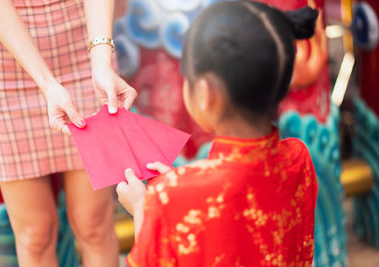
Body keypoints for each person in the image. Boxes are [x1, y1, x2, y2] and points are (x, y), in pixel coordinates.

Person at [117, 1, 319, 266]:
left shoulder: (169, 197)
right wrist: (179, 189)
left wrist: (144, 208)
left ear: (204, 93)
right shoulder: (298, 158)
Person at [0, 0, 137, 266]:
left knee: (94, 223)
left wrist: (101, 61)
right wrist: (47, 84)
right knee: (34, 235)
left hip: (82, 46)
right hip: (0, 60)